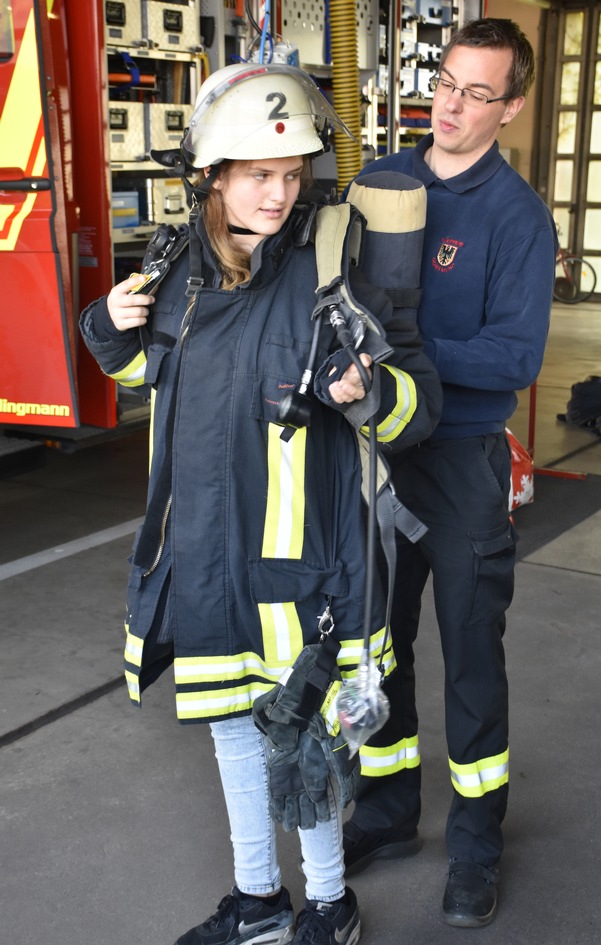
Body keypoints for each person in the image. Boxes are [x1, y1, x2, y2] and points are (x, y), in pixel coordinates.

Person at [79, 63, 442, 945]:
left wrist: (366, 389)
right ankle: (259, 901)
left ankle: (329, 903)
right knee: (233, 738)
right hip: (205, 556)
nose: (278, 193)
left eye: (291, 174)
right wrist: (108, 329)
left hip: (303, 569)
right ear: (213, 176)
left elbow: (416, 405)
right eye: (256, 174)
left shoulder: (334, 262)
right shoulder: (178, 269)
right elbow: (150, 383)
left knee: (304, 748)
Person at [341, 18, 558, 928]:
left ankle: (475, 844)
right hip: (373, 456)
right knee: (377, 647)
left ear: (510, 108)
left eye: (477, 93)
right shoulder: (381, 180)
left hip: (462, 463)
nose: (451, 104)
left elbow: (512, 357)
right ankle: (388, 813)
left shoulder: (518, 219)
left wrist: (405, 351)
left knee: (473, 659)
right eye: (446, 81)